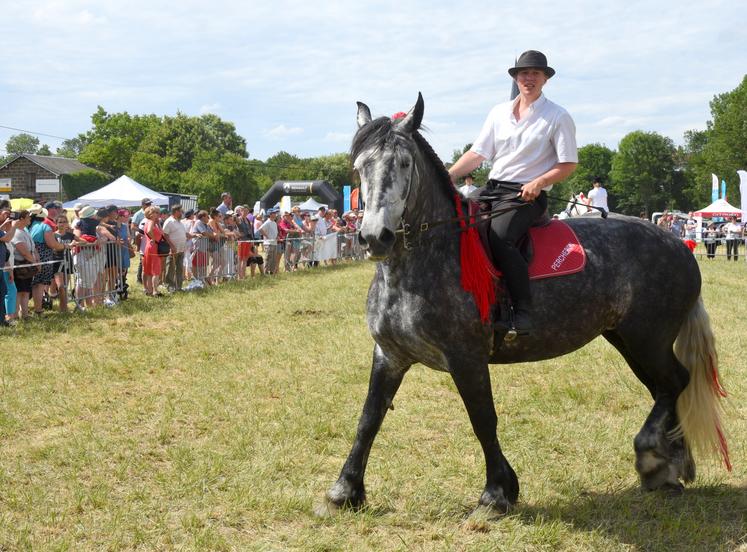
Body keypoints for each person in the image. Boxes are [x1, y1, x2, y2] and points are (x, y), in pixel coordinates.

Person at [448, 50, 578, 334]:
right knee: (456, 222)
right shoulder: (498, 112)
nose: (528, 78)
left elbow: (568, 164)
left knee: (501, 238)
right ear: (516, 78)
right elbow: (478, 153)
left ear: (545, 78)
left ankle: (522, 310)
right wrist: (448, 175)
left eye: (534, 73)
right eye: (523, 73)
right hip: (494, 189)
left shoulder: (557, 116)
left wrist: (539, 183)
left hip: (528, 194)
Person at [10, 210, 36, 319]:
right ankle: (15, 315)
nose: (30, 219)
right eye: (28, 217)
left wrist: (34, 261)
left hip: (26, 266)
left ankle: (25, 314)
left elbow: (31, 249)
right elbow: (24, 252)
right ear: (21, 219)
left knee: (25, 291)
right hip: (20, 267)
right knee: (19, 292)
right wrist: (34, 262)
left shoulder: (24, 230)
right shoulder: (16, 232)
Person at [162, 204, 188, 291]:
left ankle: (178, 287)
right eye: (181, 211)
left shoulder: (179, 222)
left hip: (181, 249)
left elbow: (184, 234)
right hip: (173, 250)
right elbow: (165, 234)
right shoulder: (169, 221)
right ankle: (170, 287)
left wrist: (194, 235)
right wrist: (171, 246)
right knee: (171, 269)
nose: (182, 213)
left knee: (180, 269)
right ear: (176, 212)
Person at [142, 206, 164, 296]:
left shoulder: (153, 222)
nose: (158, 214)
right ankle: (155, 291)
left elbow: (162, 233)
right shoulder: (150, 222)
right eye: (156, 213)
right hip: (153, 247)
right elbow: (149, 230)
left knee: (150, 270)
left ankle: (150, 290)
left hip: (150, 247)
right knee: (156, 270)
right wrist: (154, 239)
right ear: (151, 214)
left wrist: (158, 224)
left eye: (158, 212)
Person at [131, 198, 152, 283]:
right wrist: (143, 231)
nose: (149, 206)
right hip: (140, 236)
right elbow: (132, 226)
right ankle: (139, 278)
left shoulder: (151, 213)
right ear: (142, 205)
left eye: (149, 204)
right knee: (142, 260)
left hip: (147, 237)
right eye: (147, 204)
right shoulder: (138, 214)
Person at [258, 209, 280, 274]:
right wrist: (267, 236)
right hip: (269, 243)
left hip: (274, 243)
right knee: (268, 258)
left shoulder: (274, 223)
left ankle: (272, 272)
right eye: (273, 213)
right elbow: (260, 229)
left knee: (273, 259)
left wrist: (277, 237)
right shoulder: (267, 222)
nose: (275, 214)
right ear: (270, 214)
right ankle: (266, 272)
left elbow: (275, 232)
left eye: (275, 213)